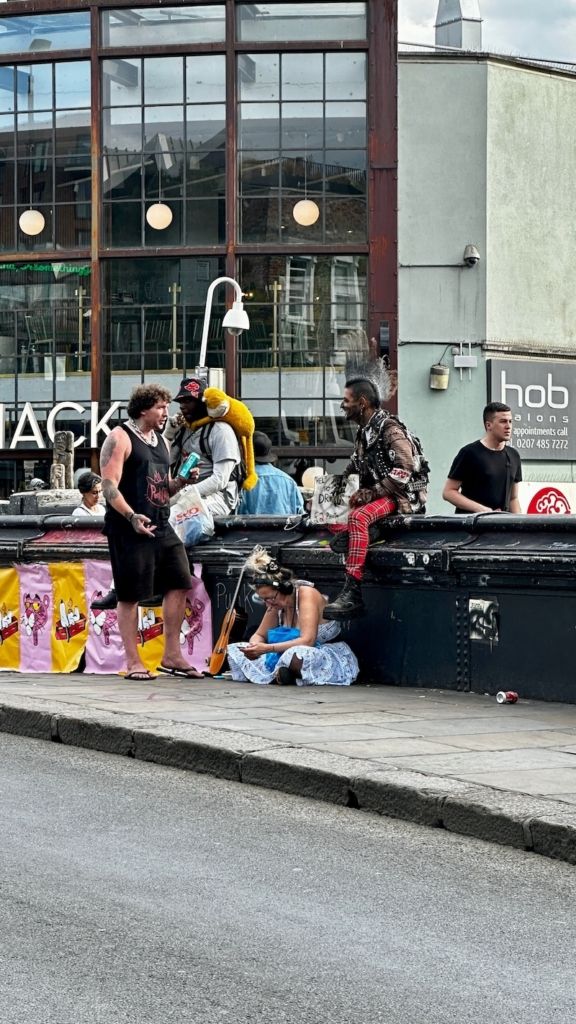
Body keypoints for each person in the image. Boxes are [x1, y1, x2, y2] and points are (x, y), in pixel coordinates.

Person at [99, 383, 204, 681]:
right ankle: (133, 661)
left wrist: (183, 481)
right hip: (128, 527)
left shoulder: (160, 441)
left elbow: (163, 487)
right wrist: (131, 516)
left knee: (180, 581)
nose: (165, 414)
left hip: (161, 521)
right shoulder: (120, 437)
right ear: (143, 409)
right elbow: (108, 487)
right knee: (130, 594)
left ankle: (171, 655)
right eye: (160, 408)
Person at [323, 376, 428, 621]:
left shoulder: (390, 429)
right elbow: (354, 466)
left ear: (362, 403)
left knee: (358, 517)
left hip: (400, 496)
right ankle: (369, 535)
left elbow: (405, 468)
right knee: (327, 515)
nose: (342, 405)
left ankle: (352, 592)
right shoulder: (364, 431)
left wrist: (373, 492)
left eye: (346, 400)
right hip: (379, 494)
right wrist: (330, 494)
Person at [227, 548, 359, 686]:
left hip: (319, 653)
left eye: (271, 598)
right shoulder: (275, 604)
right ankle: (284, 673)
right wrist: (254, 646)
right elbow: (260, 634)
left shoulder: (307, 594)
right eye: (264, 600)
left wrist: (267, 648)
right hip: (280, 653)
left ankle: (284, 673)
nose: (268, 604)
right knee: (237, 650)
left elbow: (308, 640)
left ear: (284, 588)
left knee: (297, 654)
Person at [165, 376, 243, 544]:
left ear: (203, 402)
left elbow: (220, 480)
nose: (183, 406)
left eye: (189, 401)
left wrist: (186, 494)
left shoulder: (221, 431)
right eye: (181, 401)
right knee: (155, 516)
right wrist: (169, 434)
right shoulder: (185, 429)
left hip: (217, 497)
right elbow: (164, 461)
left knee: (172, 520)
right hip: (185, 493)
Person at [442, 402, 522, 514]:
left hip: (501, 527)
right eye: (503, 421)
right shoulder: (469, 453)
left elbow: (513, 498)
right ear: (489, 425)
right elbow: (448, 492)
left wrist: (520, 525)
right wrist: (483, 510)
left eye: (510, 421)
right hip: (471, 527)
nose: (508, 426)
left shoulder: (514, 455)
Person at [237, 431, 304, 516]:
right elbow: (300, 514)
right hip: (283, 529)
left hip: (251, 529)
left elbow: (235, 514)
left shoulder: (244, 482)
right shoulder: (289, 481)